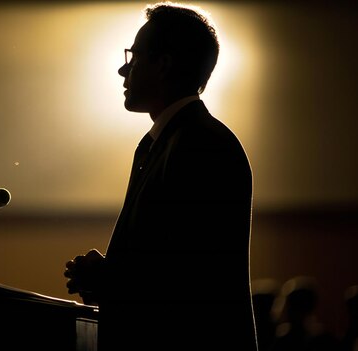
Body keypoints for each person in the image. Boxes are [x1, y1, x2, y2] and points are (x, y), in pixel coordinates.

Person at [63, 3, 257, 350]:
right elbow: (167, 259)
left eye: (135, 57)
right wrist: (108, 279)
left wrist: (108, 279)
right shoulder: (171, 141)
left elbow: (193, 280)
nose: (124, 69)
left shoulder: (200, 145)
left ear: (163, 63)